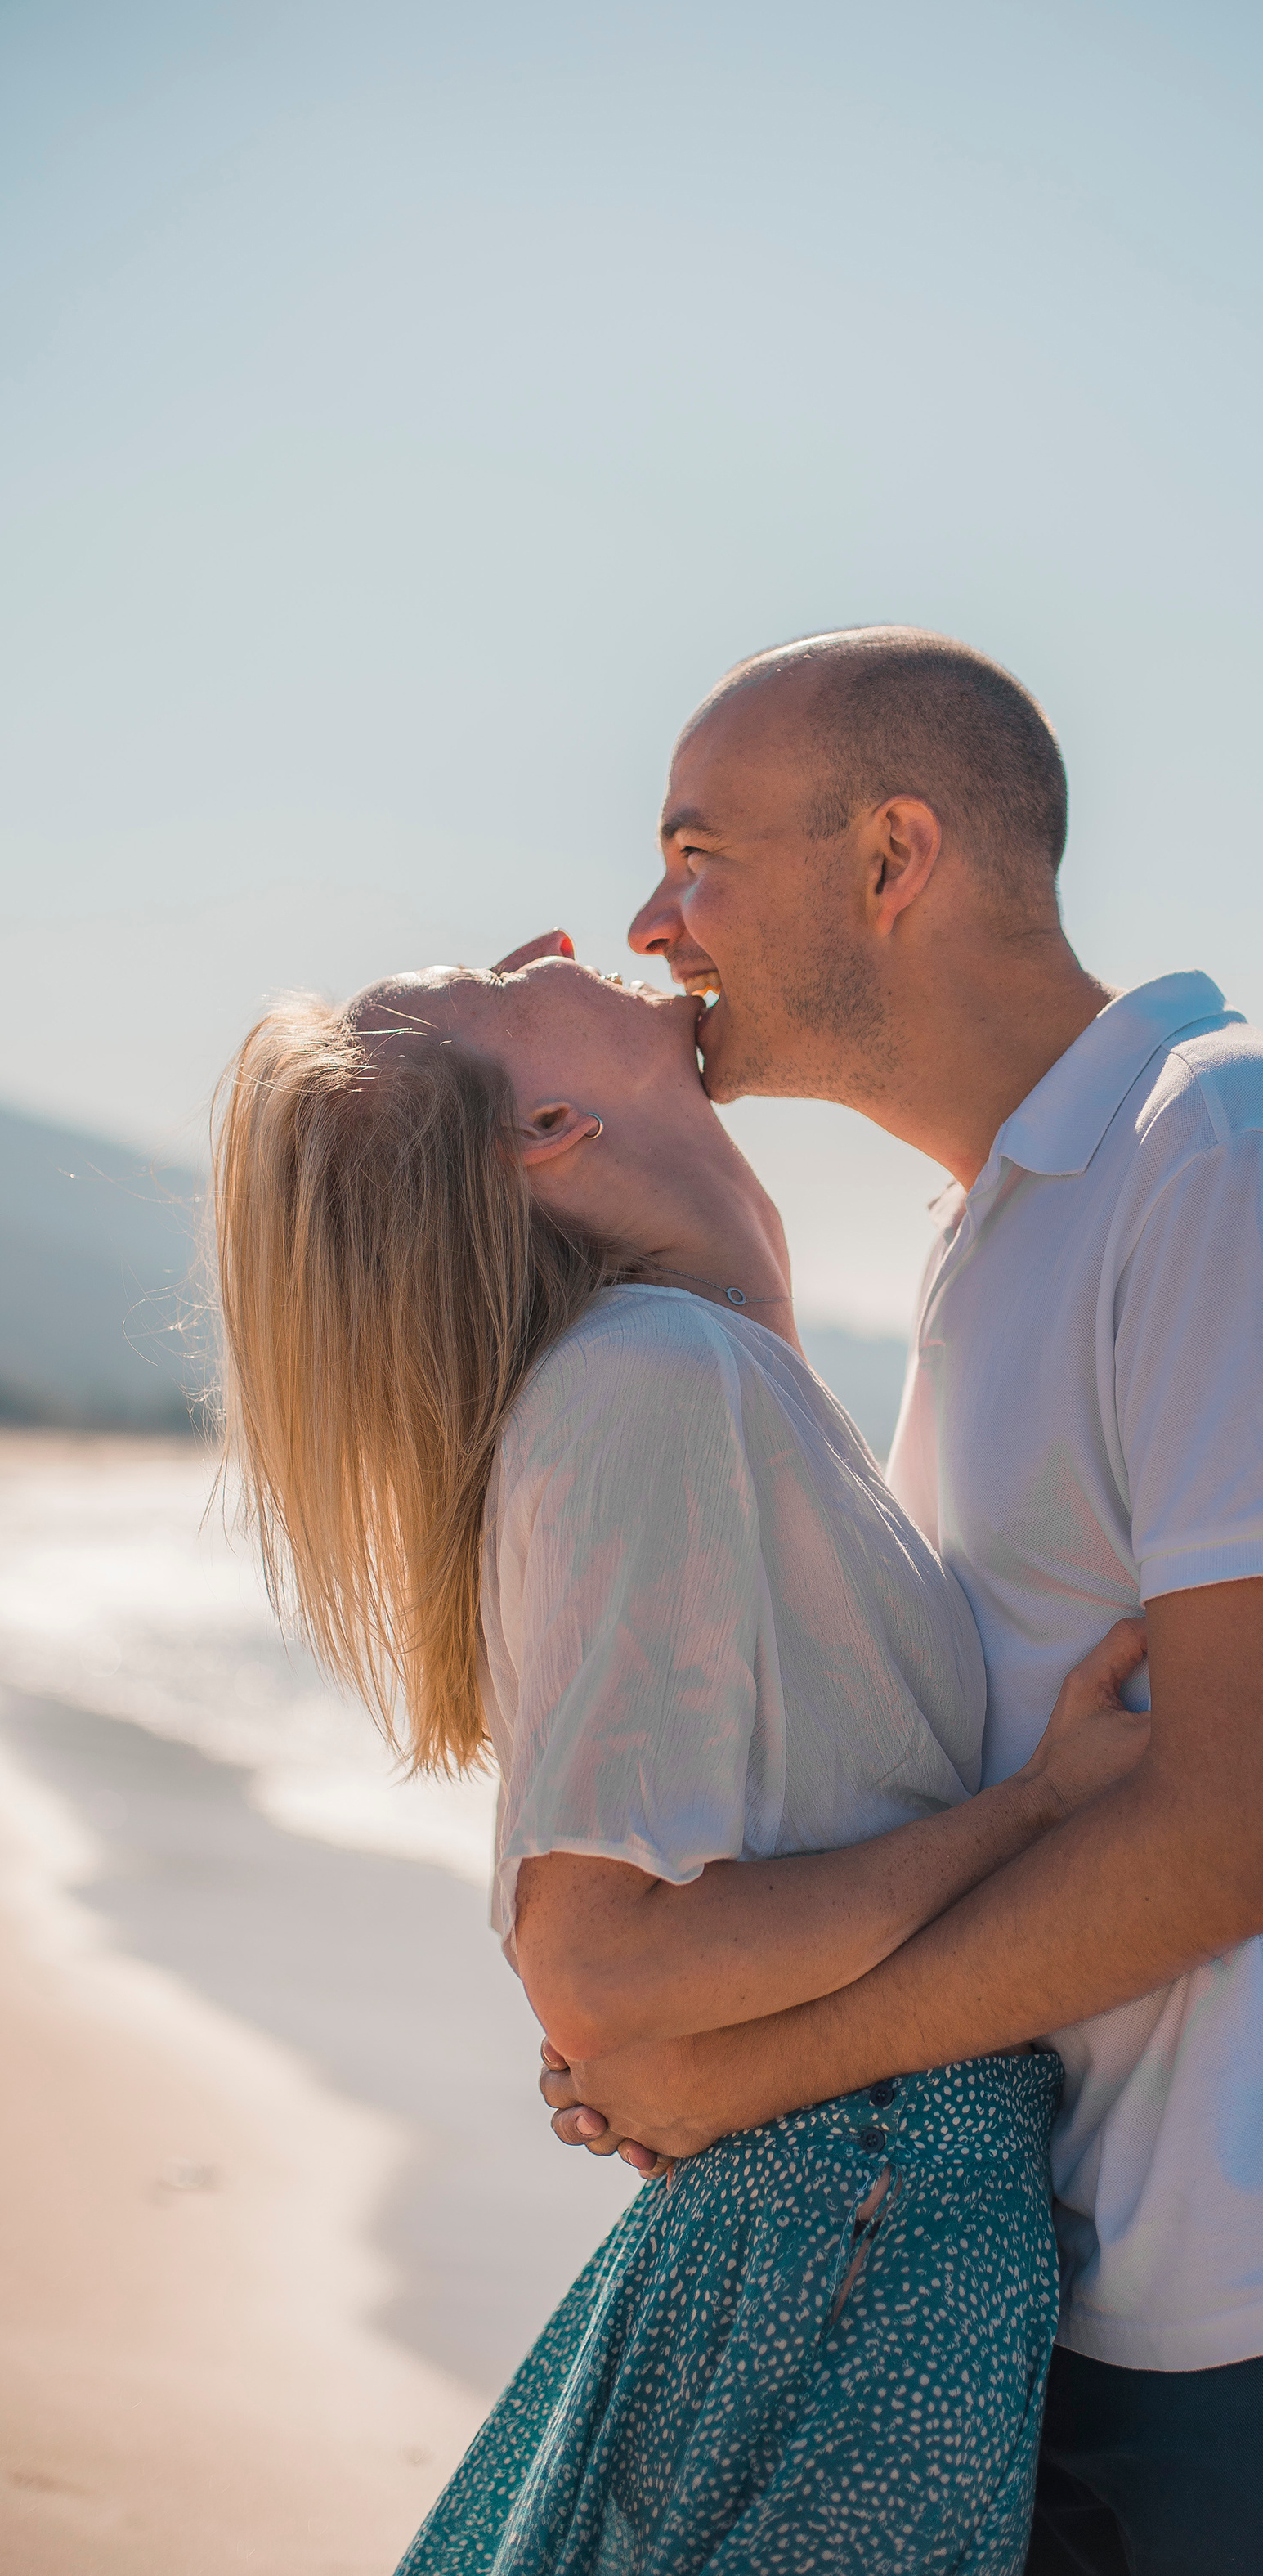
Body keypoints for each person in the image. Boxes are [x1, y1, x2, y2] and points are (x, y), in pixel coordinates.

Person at [535, 626, 1263, 2575]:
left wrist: (740, 2069)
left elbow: (1241, 1831)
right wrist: (663, 2009)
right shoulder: (993, 1229)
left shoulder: (1233, 1151)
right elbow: (983, 1747)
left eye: (699, 852)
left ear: (894, 855)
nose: (652, 921)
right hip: (1064, 2266)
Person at [210, 948, 1155, 2576]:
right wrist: (1037, 1812)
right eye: (495, 984)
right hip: (856, 2214)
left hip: (842, 2204)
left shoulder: (694, 1373)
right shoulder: (651, 1382)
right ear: (555, 1127)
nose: (558, 949)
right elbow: (595, 1960)